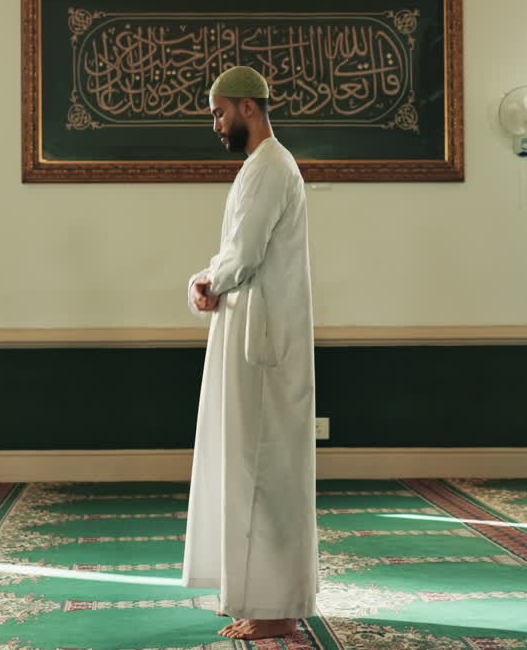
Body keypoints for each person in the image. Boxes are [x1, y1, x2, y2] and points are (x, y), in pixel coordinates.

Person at [182, 65, 319, 641]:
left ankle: (278, 608)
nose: (216, 124)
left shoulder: (269, 167)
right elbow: (235, 253)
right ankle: (257, 597)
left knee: (265, 471)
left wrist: (208, 281)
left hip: (261, 339)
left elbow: (244, 252)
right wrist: (207, 279)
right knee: (247, 468)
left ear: (247, 107)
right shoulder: (261, 167)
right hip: (247, 329)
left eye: (219, 112)